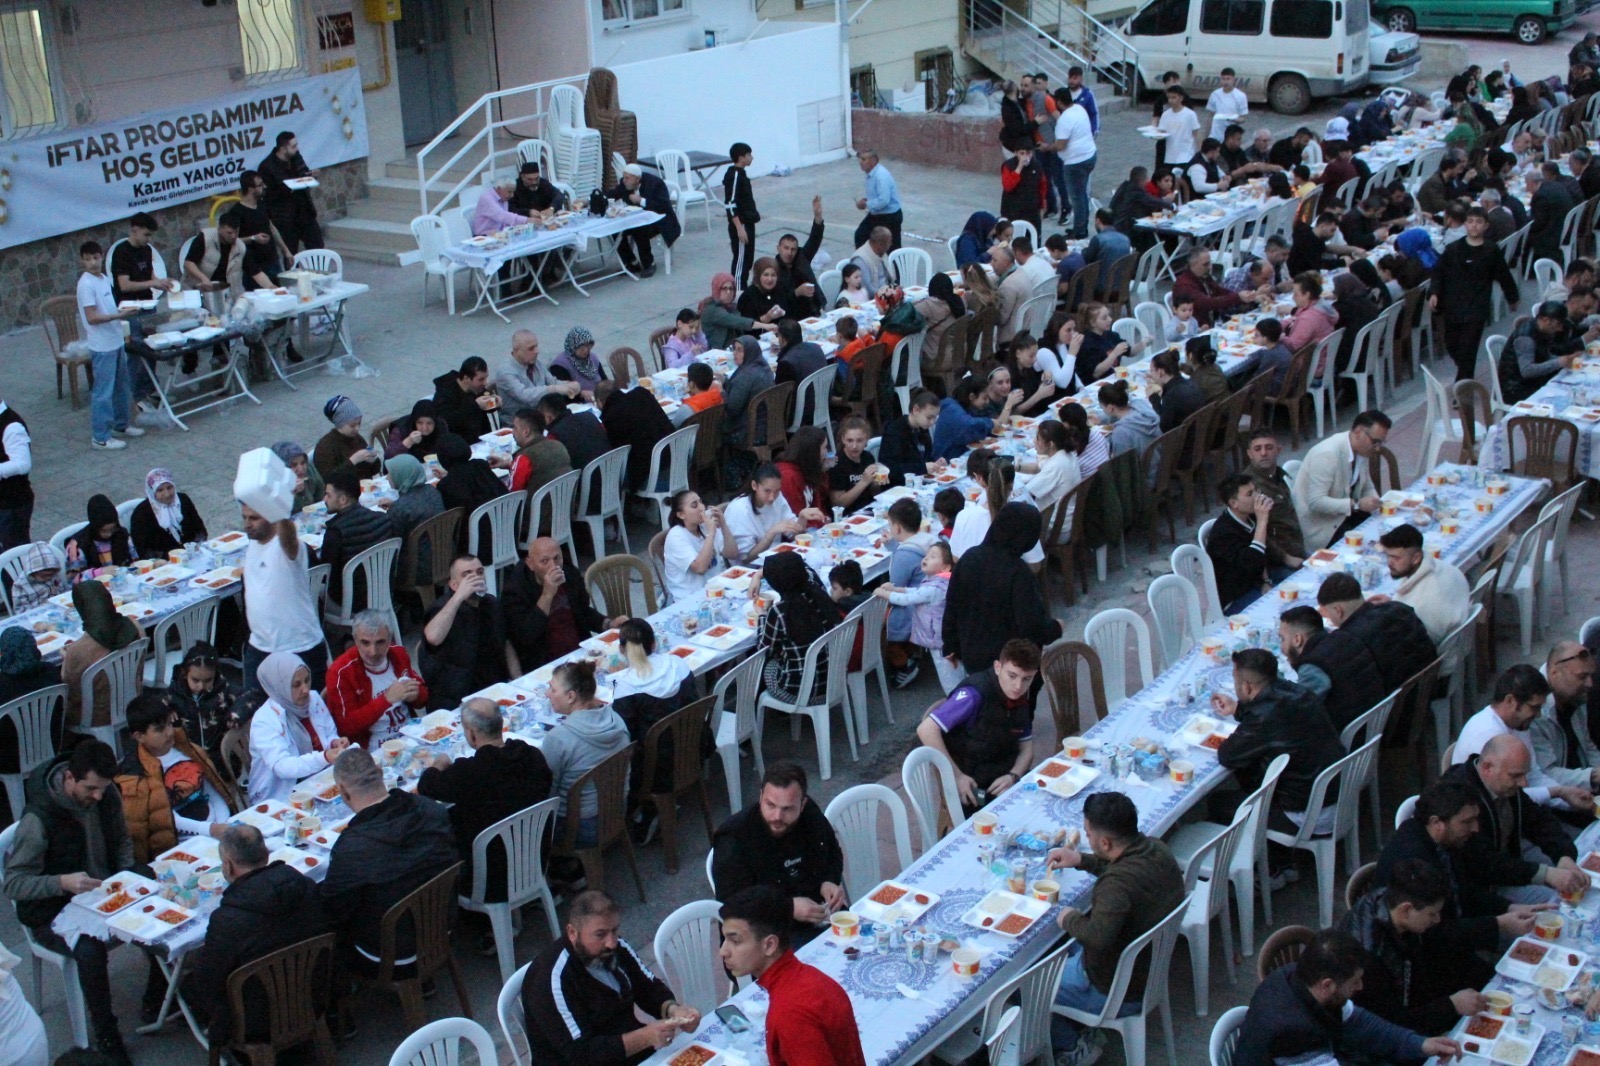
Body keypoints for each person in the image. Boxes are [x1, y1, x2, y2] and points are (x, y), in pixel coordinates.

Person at [2, 740, 139, 1064]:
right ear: (69, 778)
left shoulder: (106, 794)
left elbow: (122, 839)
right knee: (89, 951)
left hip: (103, 892)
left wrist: (126, 876)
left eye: (103, 788)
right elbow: (13, 884)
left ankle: (161, 993)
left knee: (157, 898)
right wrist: (60, 882)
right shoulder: (38, 820)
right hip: (54, 911)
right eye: (91, 789)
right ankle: (106, 1033)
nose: (98, 796)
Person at [1046, 790, 1186, 1063]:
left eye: (1088, 834)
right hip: (1147, 968)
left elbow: (1096, 936)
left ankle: (1071, 1046)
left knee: (1022, 986)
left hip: (1114, 989)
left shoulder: (1116, 886)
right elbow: (1122, 870)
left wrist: (1068, 918)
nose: (1087, 839)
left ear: (1105, 842)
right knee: (1054, 948)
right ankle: (1077, 1024)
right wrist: (1081, 859)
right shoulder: (1156, 849)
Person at [183, 825, 326, 1046]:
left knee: (189, 984)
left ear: (228, 865)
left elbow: (210, 982)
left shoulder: (227, 920)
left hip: (258, 1019)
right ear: (266, 854)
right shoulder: (303, 884)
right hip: (315, 994)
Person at [1234, 929, 1463, 1065]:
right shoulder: (1292, 1035)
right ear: (1327, 985)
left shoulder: (1298, 975)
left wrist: (1420, 1044)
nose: (1360, 987)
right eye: (1354, 982)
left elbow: (1362, 1024)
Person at [320, 747, 456, 975]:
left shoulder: (351, 849)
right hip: (444, 926)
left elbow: (333, 911)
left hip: (392, 955)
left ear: (343, 791)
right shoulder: (430, 809)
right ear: (381, 772)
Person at [524, 889, 699, 1065]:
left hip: (630, 1055)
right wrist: (644, 1037)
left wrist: (673, 1010)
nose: (611, 943)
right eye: (600, 934)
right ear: (572, 933)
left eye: (614, 930)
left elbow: (647, 987)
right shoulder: (550, 980)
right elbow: (581, 1054)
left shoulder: (617, 948)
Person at [418, 697, 551, 904]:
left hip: (490, 876)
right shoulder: (532, 755)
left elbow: (427, 786)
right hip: (535, 858)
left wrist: (438, 764)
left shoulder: (470, 773)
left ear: (471, 734)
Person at [717, 885, 866, 1066]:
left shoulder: (789, 1015)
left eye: (735, 941)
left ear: (769, 945)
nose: (723, 951)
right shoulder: (813, 978)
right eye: (725, 939)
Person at [1213, 648, 1346, 835]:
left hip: (1308, 814)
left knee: (1218, 802)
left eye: (1236, 682)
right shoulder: (1299, 692)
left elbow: (1228, 755)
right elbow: (1264, 712)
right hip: (1339, 793)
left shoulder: (1265, 717)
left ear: (1247, 687)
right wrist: (1237, 709)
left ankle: (1270, 852)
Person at [1442, 734, 1588, 904]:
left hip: (1509, 868)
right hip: (1480, 888)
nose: (1524, 783)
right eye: (1516, 776)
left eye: (1524, 775)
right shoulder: (1460, 798)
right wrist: (1546, 874)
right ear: (1488, 768)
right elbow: (1484, 863)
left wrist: (1564, 856)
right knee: (1562, 902)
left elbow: (1539, 821)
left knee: (1576, 876)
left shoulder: (1504, 785)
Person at [712, 762, 844, 938]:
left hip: (820, 916)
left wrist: (829, 879)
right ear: (761, 797)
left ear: (802, 804)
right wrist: (788, 907)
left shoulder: (810, 815)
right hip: (765, 935)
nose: (777, 817)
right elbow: (732, 906)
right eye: (770, 805)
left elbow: (832, 851)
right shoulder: (734, 836)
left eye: (787, 809)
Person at [917, 638, 1043, 813]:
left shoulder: (1021, 698)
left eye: (1026, 679)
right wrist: (957, 777)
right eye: (1012, 676)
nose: (1018, 686)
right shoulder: (974, 695)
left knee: (1045, 803)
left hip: (1006, 780)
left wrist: (1013, 775)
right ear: (998, 667)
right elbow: (926, 729)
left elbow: (1027, 749)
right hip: (974, 788)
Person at [943, 502, 1061, 676]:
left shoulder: (969, 558)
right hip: (1009, 665)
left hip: (972, 657)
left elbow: (952, 605)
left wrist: (950, 644)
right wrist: (1056, 628)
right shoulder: (1018, 572)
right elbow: (1031, 626)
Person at [114, 694, 234, 863]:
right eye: (159, 730)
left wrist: (224, 823)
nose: (169, 732)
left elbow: (212, 790)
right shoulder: (135, 777)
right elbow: (166, 817)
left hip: (217, 829)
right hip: (184, 846)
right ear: (139, 736)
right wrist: (210, 829)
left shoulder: (189, 749)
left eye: (169, 724)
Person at [538, 659, 630, 850]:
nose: (547, 694)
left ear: (571, 696)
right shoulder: (616, 719)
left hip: (579, 828)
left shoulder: (558, 738)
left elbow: (547, 793)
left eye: (553, 689)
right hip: (617, 811)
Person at [238, 499, 326, 690]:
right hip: (260, 647)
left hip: (300, 646)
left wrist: (279, 510)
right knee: (253, 707)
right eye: (245, 517)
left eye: (254, 518)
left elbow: (289, 538)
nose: (247, 524)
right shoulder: (254, 545)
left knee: (311, 705)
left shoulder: (289, 548)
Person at [1431, 206, 1520, 380]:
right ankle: (1464, 376)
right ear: (1465, 224)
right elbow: (1439, 272)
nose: (1474, 226)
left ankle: (1463, 385)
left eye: (1479, 222)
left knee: (1469, 349)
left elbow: (1503, 275)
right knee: (1451, 344)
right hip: (1453, 304)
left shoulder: (1491, 250)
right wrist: (1434, 293)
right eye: (1470, 221)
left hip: (1477, 306)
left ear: (1486, 226)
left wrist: (1512, 297)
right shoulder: (1453, 249)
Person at [247, 652, 347, 804]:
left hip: (320, 782)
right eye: (296, 685)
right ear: (279, 686)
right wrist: (324, 757)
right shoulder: (264, 721)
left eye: (307, 680)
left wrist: (334, 743)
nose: (305, 689)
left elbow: (329, 733)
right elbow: (282, 767)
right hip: (280, 797)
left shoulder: (313, 699)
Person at [503, 537, 617, 670]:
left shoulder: (569, 574)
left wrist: (608, 624)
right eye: (544, 561)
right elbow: (526, 637)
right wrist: (547, 595)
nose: (553, 566)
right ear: (530, 564)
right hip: (545, 665)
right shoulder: (516, 591)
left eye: (557, 558)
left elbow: (583, 612)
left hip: (579, 655)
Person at [1317, 570, 1437, 695]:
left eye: (1328, 614)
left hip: (1398, 701)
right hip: (1427, 686)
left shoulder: (1351, 642)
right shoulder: (1399, 608)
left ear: (1338, 610)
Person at [77, 240, 146, 450]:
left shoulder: (104, 279)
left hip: (115, 340)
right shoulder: (86, 285)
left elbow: (110, 307)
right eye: (88, 259)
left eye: (95, 258)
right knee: (103, 392)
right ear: (82, 261)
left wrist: (124, 313)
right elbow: (92, 317)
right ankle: (100, 437)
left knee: (121, 387)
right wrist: (119, 316)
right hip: (101, 346)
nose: (93, 262)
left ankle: (121, 425)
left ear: (101, 257)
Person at [324, 610, 427, 748]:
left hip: (410, 736)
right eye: (365, 643)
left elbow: (423, 698)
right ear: (355, 640)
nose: (373, 652)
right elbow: (345, 727)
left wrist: (416, 695)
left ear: (389, 639)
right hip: (373, 749)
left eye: (380, 642)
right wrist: (386, 699)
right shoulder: (340, 672)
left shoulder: (399, 654)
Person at [1278, 606, 1389, 732]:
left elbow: (1297, 710)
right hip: (1376, 719)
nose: (1281, 647)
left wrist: (1272, 679)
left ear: (1297, 639)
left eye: (1282, 639)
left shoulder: (1312, 667)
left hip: (1352, 733)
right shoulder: (1345, 637)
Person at [1292, 409, 1389, 549]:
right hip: (1322, 527)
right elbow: (1316, 502)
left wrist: (1378, 505)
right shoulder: (1327, 455)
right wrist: (1356, 505)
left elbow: (1367, 486)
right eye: (1375, 442)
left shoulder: (1361, 450)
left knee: (1386, 534)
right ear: (1358, 432)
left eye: (1381, 443)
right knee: (1367, 547)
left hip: (1344, 516)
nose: (1378, 448)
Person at [757, 552, 846, 704]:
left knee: (765, 667)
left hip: (798, 692)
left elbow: (763, 649)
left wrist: (762, 617)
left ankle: (765, 711)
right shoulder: (819, 592)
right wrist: (757, 575)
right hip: (833, 681)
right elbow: (804, 567)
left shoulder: (780, 611)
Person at [62, 580, 143, 735]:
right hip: (133, 698)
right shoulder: (135, 627)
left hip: (96, 716)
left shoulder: (78, 651)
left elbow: (72, 694)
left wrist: (67, 660)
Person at [1206, 473, 1296, 613]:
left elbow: (1264, 551)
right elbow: (1252, 561)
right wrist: (1262, 520)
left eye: (1256, 490)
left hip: (1259, 580)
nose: (1257, 496)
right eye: (1250, 494)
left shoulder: (1251, 517)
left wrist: (1266, 580)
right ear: (1234, 503)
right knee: (1281, 607)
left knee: (1298, 583)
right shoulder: (1223, 534)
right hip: (1237, 596)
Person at [1372, 523, 1470, 643]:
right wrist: (1392, 605)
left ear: (1416, 558)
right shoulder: (1443, 567)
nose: (1389, 563)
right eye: (1388, 556)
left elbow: (1416, 643)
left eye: (1396, 558)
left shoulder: (1421, 605)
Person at [318, 471, 395, 608]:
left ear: (343, 499)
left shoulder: (336, 533)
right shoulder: (382, 519)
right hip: (383, 591)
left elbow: (326, 575)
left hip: (351, 602)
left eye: (328, 495)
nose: (324, 500)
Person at [162, 642, 238, 770]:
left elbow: (251, 696)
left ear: (215, 674)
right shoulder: (173, 694)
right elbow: (152, 709)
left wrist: (237, 713)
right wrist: (165, 712)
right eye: (195, 680)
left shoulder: (224, 690)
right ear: (184, 673)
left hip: (221, 761)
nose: (201, 686)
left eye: (208, 680)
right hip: (188, 760)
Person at [596, 378, 675, 492]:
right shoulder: (642, 394)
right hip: (675, 458)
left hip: (648, 474)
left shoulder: (610, 417)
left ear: (599, 402)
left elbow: (618, 455)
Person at [1502, 301, 1580, 405]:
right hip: (1516, 387)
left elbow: (1544, 354)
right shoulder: (1526, 338)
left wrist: (1565, 359)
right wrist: (1559, 362)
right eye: (1558, 324)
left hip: (1531, 381)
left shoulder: (1542, 330)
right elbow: (1527, 370)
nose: (1560, 329)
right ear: (1546, 320)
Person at [661, 489, 732, 603]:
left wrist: (723, 524)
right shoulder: (676, 536)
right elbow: (700, 568)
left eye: (701, 502)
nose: (701, 507)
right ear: (681, 515)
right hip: (690, 599)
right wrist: (711, 533)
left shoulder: (704, 526)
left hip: (716, 591)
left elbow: (732, 553)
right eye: (694, 505)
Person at [723, 464, 804, 562]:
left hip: (775, 559)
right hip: (752, 567)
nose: (772, 497)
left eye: (777, 491)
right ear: (754, 486)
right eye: (767, 491)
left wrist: (802, 518)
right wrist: (771, 533)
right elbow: (745, 559)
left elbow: (794, 535)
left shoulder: (778, 498)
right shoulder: (740, 510)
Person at [257, 131, 322, 252]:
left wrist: (311, 176)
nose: (296, 149)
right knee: (291, 252)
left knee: (317, 245)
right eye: (293, 146)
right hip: (285, 218)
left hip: (304, 212)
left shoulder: (296, 157)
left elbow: (304, 172)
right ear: (282, 149)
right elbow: (267, 195)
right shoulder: (267, 167)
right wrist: (288, 188)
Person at [608, 163, 677, 277]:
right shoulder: (624, 183)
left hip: (660, 220)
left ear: (637, 179)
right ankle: (631, 262)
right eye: (624, 177)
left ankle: (649, 263)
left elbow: (663, 206)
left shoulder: (656, 184)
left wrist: (641, 200)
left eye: (627, 178)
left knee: (639, 227)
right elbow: (614, 193)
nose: (624, 181)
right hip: (638, 218)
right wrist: (590, 200)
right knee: (615, 228)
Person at [129, 467, 207, 559]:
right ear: (152, 491)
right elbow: (143, 549)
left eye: (169, 487)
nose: (167, 494)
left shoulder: (183, 500)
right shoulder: (141, 514)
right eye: (160, 490)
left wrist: (196, 545)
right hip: (164, 562)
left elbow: (199, 529)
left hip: (192, 553)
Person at [384, 454, 446, 567]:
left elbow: (393, 542)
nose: (387, 478)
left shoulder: (399, 509)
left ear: (402, 475)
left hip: (417, 566)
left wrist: (394, 508)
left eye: (390, 474)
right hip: (444, 554)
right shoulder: (432, 491)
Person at [720, 334, 777, 455]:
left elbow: (732, 408)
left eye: (740, 350)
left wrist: (720, 391)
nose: (735, 353)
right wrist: (724, 381)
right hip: (768, 423)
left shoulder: (746, 376)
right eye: (734, 349)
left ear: (749, 352)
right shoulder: (763, 367)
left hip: (747, 429)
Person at [496, 330, 580, 411]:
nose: (537, 351)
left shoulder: (535, 362)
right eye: (531, 349)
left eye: (536, 346)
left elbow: (551, 381)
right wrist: (552, 389)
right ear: (517, 351)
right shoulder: (505, 372)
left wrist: (568, 385)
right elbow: (523, 395)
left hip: (541, 412)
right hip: (517, 417)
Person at [773, 198, 826, 317]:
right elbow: (778, 301)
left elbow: (814, 240)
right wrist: (797, 292)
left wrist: (818, 217)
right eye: (786, 248)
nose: (789, 252)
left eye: (793, 249)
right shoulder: (773, 269)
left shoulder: (802, 258)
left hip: (813, 311)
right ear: (778, 248)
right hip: (791, 317)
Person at [879, 389, 944, 485]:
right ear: (915, 410)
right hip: (897, 486)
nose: (932, 422)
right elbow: (890, 469)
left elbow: (924, 458)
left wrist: (935, 464)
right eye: (929, 417)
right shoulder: (894, 432)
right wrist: (923, 468)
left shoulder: (923, 431)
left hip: (919, 482)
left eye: (935, 418)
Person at [1171, 247, 1250, 326]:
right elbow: (1207, 303)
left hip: (1212, 323)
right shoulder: (1184, 285)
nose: (1209, 267)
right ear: (1193, 265)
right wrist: (1237, 297)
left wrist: (1244, 296)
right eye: (1205, 264)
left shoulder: (1203, 277)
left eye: (1210, 263)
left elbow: (1220, 291)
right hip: (1194, 328)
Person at [312, 394, 381, 481]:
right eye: (352, 425)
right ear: (340, 423)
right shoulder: (325, 447)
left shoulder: (357, 438)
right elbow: (330, 479)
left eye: (359, 423)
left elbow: (374, 470)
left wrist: (373, 460)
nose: (357, 428)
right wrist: (353, 460)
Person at [64, 494, 133, 579]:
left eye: (112, 529)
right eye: (104, 531)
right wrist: (100, 572)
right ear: (95, 527)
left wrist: (133, 567)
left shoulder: (121, 534)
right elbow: (73, 579)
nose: (109, 534)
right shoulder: (76, 546)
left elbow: (135, 559)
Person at [539, 394, 610, 475]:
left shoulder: (554, 435)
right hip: (611, 470)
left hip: (585, 479)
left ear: (548, 417)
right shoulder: (589, 416)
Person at [430, 355, 496, 440]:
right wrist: (475, 405)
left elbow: (487, 406)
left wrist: (494, 403)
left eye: (486, 378)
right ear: (466, 378)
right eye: (481, 379)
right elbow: (447, 422)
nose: (485, 383)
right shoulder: (445, 394)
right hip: (459, 441)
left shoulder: (477, 389)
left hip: (482, 438)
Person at [723, 141, 760, 287]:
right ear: (740, 157)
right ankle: (737, 291)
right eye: (749, 155)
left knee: (748, 259)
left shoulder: (741, 174)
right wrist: (739, 228)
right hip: (741, 224)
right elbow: (730, 204)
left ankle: (743, 288)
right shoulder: (735, 176)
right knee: (741, 261)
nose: (752, 158)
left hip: (748, 223)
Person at [852, 149, 902, 250]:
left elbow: (884, 200)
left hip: (889, 216)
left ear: (873, 161)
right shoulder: (872, 174)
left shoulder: (881, 176)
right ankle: (865, 258)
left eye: (864, 159)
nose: (860, 162)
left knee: (892, 247)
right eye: (860, 159)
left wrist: (866, 204)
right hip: (879, 213)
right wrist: (866, 201)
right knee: (861, 235)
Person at [1097, 380, 1161, 458]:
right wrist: (1101, 419)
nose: (1103, 410)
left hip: (1146, 464)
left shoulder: (1121, 432)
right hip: (1162, 456)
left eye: (1102, 407)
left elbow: (1122, 462)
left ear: (1110, 408)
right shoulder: (1141, 406)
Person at [1146, 349, 1204, 433]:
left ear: (1160, 372)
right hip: (1200, 431)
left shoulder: (1171, 395)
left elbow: (1164, 427)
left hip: (1185, 437)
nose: (1151, 375)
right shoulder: (1191, 382)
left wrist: (1154, 398)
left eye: (1151, 371)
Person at [998, 146, 1048, 236]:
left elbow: (1042, 187)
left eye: (1028, 153)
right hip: (1012, 210)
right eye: (1022, 153)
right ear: (1016, 153)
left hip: (1032, 210)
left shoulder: (1037, 165)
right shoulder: (1008, 166)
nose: (1025, 156)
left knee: (1033, 236)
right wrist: (1019, 168)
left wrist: (1042, 206)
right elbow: (1008, 186)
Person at [1155, 85, 1202, 174]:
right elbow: (1162, 133)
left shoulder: (1190, 114)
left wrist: (1200, 154)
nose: (1171, 100)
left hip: (1186, 155)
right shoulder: (1165, 115)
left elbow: (1196, 134)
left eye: (1174, 97)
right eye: (1169, 98)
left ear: (1181, 98)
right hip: (1170, 156)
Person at [270, 439, 324, 513]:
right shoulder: (274, 485)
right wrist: (293, 494)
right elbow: (281, 512)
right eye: (294, 465)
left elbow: (320, 494)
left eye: (303, 463)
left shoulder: (310, 471)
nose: (300, 469)